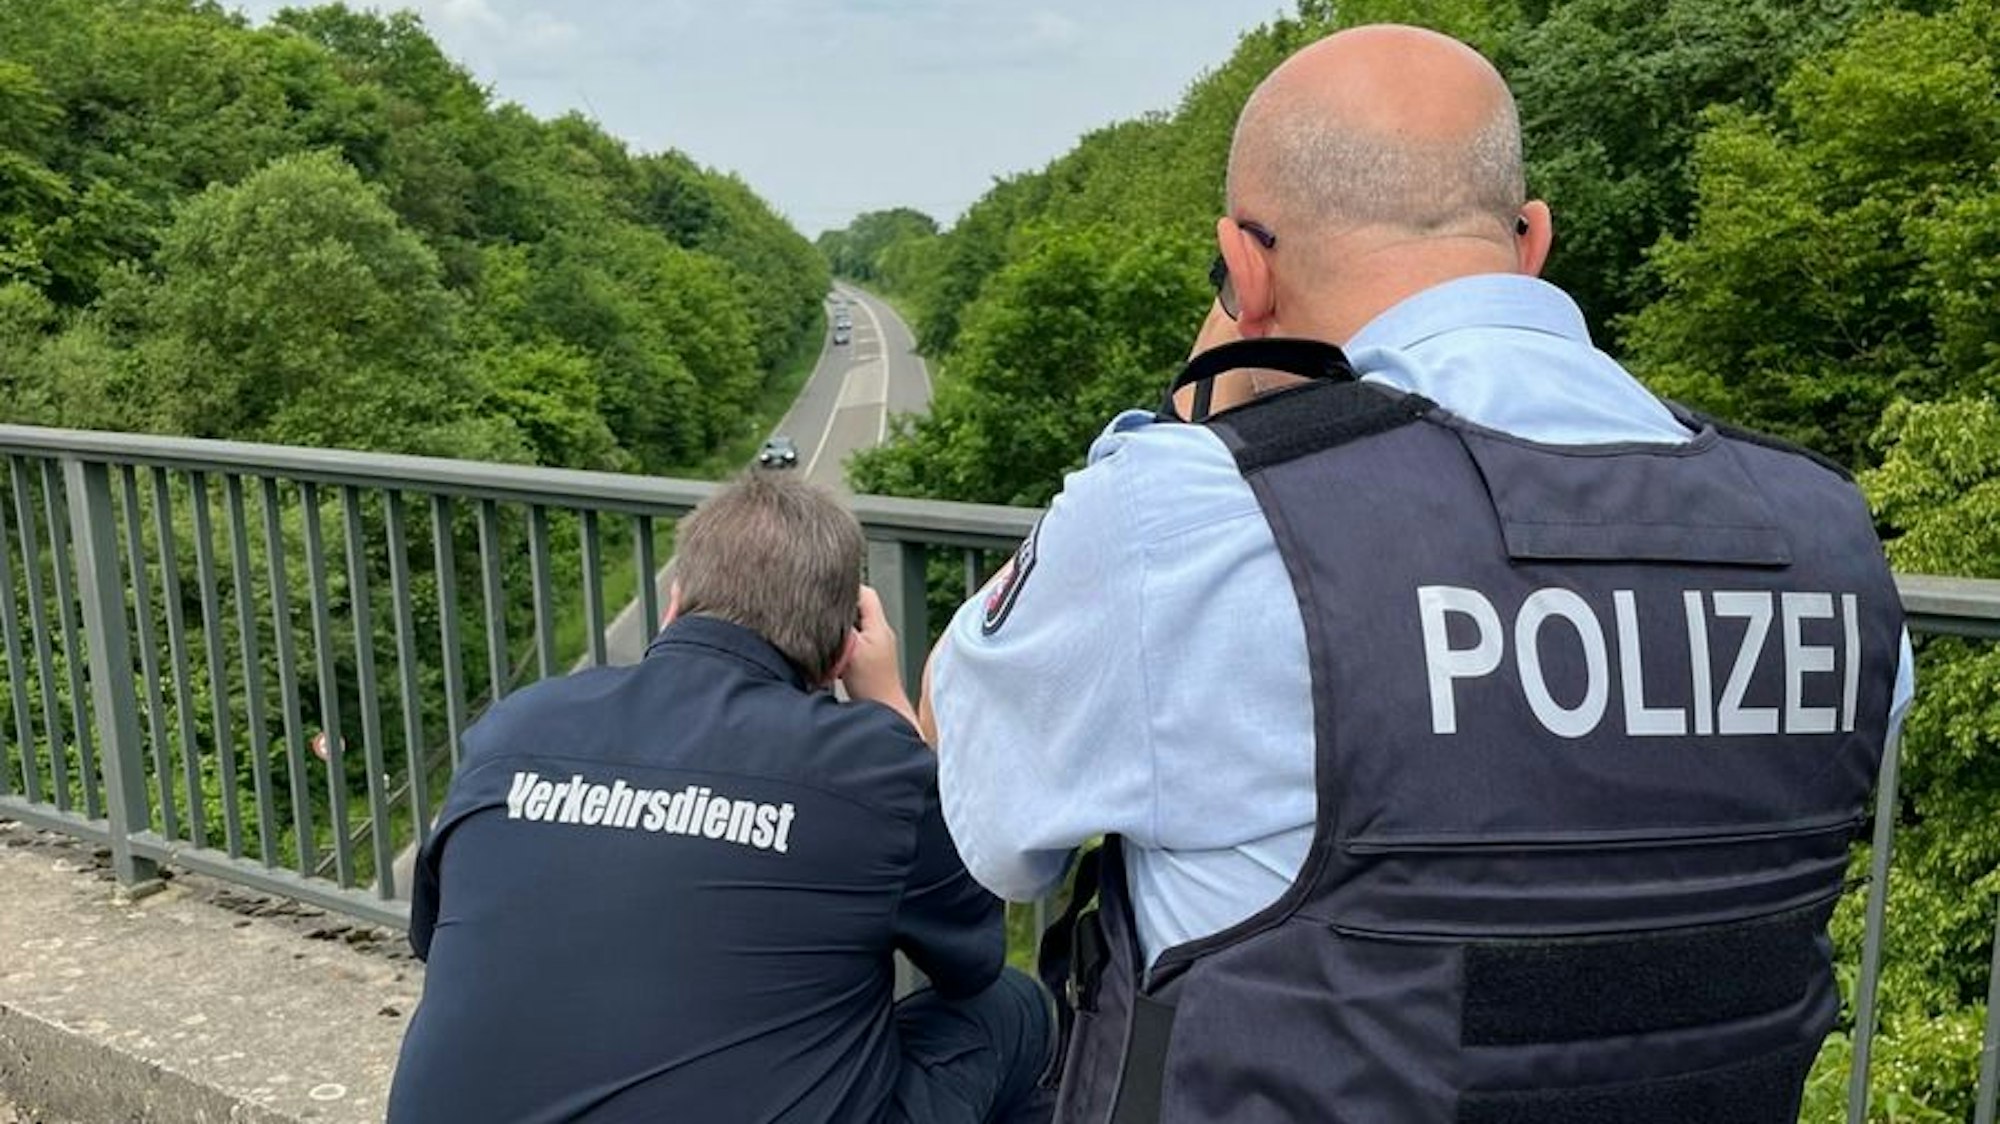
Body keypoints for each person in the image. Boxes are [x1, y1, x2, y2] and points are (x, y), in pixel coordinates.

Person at [921, 24, 1915, 1124]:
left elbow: (990, 813)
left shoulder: (1194, 516)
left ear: (1242, 267)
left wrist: (1201, 390)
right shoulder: (1823, 532)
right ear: (1529, 239)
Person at [389, 473, 1052, 1124]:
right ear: (841, 654)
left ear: (674, 605)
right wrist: (892, 709)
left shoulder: (517, 726)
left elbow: (432, 935)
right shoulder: (872, 764)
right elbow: (973, 960)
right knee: (1012, 1013)